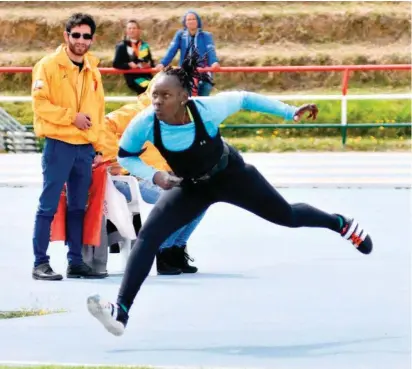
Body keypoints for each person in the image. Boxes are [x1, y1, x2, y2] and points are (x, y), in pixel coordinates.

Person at [86, 49, 373, 336]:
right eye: (154, 95)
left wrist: (289, 111)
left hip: (231, 176)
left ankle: (341, 224)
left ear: (184, 97)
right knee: (148, 238)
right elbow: (126, 155)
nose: (157, 102)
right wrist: (155, 175)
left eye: (165, 95)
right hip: (191, 187)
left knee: (287, 215)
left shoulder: (207, 109)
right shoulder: (145, 123)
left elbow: (245, 98)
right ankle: (120, 311)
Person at [31, 13, 106, 281]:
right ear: (66, 36)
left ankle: (76, 262)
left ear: (92, 39)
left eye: (86, 36)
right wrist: (70, 117)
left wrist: (98, 147)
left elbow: (98, 111)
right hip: (59, 145)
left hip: (84, 149)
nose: (81, 41)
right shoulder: (47, 66)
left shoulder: (93, 71)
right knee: (48, 205)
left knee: (78, 207)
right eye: (76, 35)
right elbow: (40, 105)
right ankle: (40, 263)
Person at [102, 87, 204, 275]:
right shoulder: (134, 112)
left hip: (159, 177)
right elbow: (103, 125)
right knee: (178, 200)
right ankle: (162, 252)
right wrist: (120, 159)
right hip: (132, 179)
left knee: (202, 197)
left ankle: (176, 250)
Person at [156, 10, 219, 96]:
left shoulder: (206, 36)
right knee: (187, 96)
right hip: (186, 71)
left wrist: (214, 62)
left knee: (205, 90)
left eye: (194, 19)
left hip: (204, 71)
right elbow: (172, 50)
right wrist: (163, 63)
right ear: (185, 22)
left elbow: (211, 50)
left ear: (198, 21)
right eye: (188, 19)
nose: (191, 21)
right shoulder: (180, 35)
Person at [113, 19, 155, 95]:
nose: (132, 30)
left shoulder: (144, 45)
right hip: (133, 77)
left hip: (147, 76)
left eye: (134, 28)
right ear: (126, 31)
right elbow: (116, 64)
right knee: (149, 88)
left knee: (157, 86)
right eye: (129, 28)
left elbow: (151, 62)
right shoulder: (122, 46)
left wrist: (149, 64)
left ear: (139, 30)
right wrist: (128, 65)